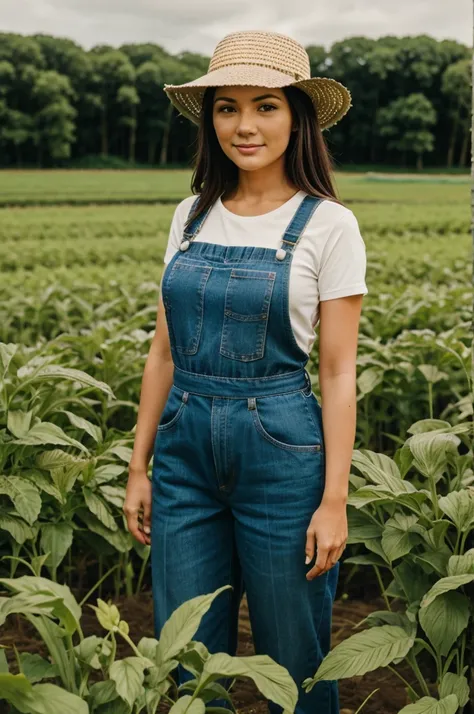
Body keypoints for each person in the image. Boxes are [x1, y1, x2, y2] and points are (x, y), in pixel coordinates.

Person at [124, 29, 368, 714]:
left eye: (265, 106)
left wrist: (333, 501)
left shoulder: (329, 225)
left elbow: (340, 371)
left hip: (283, 451)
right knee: (185, 654)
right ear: (211, 120)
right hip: (184, 450)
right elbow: (163, 352)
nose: (244, 125)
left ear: (298, 116)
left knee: (295, 656)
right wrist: (140, 465)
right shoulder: (191, 215)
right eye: (227, 108)